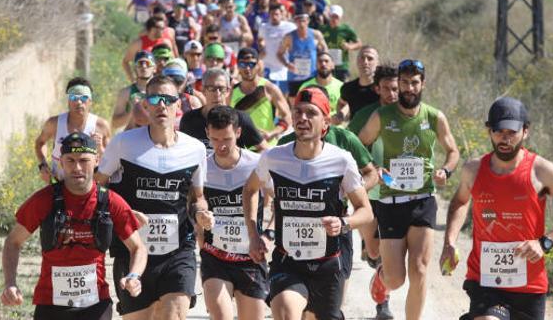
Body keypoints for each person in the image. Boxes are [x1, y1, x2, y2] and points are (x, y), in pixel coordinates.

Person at [441, 97, 553, 320]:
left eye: (512, 132)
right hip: (485, 280)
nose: (505, 138)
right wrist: (449, 243)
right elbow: (460, 202)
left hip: (529, 286)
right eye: (498, 131)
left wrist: (545, 243)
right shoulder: (473, 170)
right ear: (489, 131)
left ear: (525, 131)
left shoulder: (542, 172)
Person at [242, 87, 374, 320]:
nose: (302, 118)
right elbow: (250, 189)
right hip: (288, 260)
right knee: (284, 311)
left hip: (328, 262)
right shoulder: (274, 157)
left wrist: (343, 223)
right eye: (298, 112)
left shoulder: (341, 160)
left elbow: (366, 212)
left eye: (311, 113)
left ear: (325, 123)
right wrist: (253, 234)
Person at [95, 75, 213, 320]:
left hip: (178, 251)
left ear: (178, 105)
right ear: (145, 105)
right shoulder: (123, 144)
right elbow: (98, 188)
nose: (162, 105)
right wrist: (124, 213)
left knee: (174, 314)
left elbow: (197, 196)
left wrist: (202, 213)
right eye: (155, 99)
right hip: (132, 250)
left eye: (169, 99)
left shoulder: (195, 149)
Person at [1, 132, 146, 320]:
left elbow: (138, 247)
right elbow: (13, 242)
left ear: (97, 160)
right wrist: (10, 283)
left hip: (95, 304)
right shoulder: (44, 200)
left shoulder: (111, 202)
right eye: (70, 160)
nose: (77, 167)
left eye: (84, 160)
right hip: (50, 304)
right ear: (61, 162)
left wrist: (134, 275)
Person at [358, 59, 460, 320]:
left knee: (420, 270)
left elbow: (452, 151)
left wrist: (445, 171)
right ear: (399, 84)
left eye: (415, 83)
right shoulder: (382, 116)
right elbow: (360, 146)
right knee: (395, 280)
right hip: (391, 202)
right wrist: (373, 170)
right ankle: (381, 279)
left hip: (422, 200)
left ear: (422, 84)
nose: (409, 88)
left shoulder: (434, 116)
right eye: (404, 82)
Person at [200, 106, 269, 320]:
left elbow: (276, 200)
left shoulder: (256, 163)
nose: (221, 146)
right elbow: (194, 202)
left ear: (238, 133)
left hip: (250, 258)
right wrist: (200, 225)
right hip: (215, 256)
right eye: (215, 139)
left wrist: (268, 234)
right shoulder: (201, 166)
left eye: (227, 139)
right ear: (207, 133)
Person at [346, 64, 399, 319]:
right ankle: (376, 263)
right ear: (377, 88)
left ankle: (383, 303)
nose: (392, 94)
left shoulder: (412, 116)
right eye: (387, 89)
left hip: (400, 194)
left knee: (389, 255)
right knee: (376, 251)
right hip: (370, 194)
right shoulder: (365, 116)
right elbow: (348, 149)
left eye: (396, 88)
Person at [35, 77, 111, 183]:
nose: (79, 102)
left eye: (84, 98)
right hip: (58, 183)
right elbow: (40, 143)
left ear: (90, 102)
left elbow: (110, 161)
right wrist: (43, 165)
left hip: (90, 187)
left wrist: (100, 148)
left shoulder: (101, 126)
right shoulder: (54, 123)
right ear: (68, 101)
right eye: (74, 97)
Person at [180, 68, 270, 152]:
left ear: (228, 91)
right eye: (212, 89)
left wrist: (247, 164)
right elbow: (181, 151)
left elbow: (265, 150)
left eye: (221, 89)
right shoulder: (189, 119)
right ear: (203, 90)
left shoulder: (240, 119)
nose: (217, 94)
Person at [231, 47, 292, 144]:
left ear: (258, 65)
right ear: (237, 66)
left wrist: (272, 133)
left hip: (267, 147)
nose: (247, 68)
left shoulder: (269, 88)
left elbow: (287, 116)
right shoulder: (231, 91)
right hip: (242, 149)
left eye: (251, 64)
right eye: (243, 64)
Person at [277, 9, 327, 96]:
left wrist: (321, 63)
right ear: (295, 22)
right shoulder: (289, 37)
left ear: (308, 21)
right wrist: (287, 64)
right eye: (298, 21)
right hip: (295, 76)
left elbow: (325, 50)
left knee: (312, 101)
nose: (301, 24)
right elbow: (279, 53)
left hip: (312, 76)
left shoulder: (316, 34)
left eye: (303, 21)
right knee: (294, 105)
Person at [111, 50, 156, 131]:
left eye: (148, 63)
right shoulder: (126, 93)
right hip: (132, 138)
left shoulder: (160, 91)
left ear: (154, 68)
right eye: (140, 63)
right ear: (135, 68)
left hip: (154, 139)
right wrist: (132, 110)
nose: (144, 66)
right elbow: (115, 124)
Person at [258, 3, 296, 94]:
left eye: (277, 14)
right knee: (267, 94)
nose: (274, 17)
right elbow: (260, 40)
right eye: (272, 14)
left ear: (282, 14)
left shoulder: (290, 27)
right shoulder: (263, 27)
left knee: (284, 95)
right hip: (267, 66)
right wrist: (262, 48)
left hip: (283, 67)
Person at [319, 5, 360, 82]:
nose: (334, 19)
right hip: (326, 66)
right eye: (332, 16)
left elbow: (359, 43)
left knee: (343, 89)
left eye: (336, 17)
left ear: (340, 17)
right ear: (329, 16)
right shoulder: (322, 29)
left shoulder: (345, 29)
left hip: (342, 66)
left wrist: (349, 46)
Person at [339, 45, 379, 121]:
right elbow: (342, 102)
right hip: (355, 132)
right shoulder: (348, 88)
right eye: (362, 58)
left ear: (377, 63)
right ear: (357, 61)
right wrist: (340, 115)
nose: (365, 62)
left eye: (370, 59)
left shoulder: (382, 88)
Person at [298, 52, 343, 118]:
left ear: (333, 65)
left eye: (326, 61)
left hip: (336, 126)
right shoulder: (306, 87)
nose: (323, 64)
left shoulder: (342, 87)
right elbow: (298, 109)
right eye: (320, 61)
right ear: (315, 65)